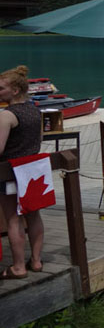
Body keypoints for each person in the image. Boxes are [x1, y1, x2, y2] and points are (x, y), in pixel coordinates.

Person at [0, 65, 44, 280]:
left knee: (13, 219)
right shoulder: (35, 110)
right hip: (32, 171)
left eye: (1, 89)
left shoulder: (7, 115)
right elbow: (39, 142)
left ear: (15, 91)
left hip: (9, 173)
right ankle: (36, 261)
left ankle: (18, 267)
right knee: (33, 215)